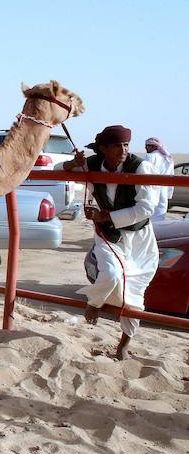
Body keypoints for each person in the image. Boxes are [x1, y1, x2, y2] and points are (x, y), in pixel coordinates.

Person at [60, 125, 158, 360]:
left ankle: (123, 344)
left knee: (134, 294)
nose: (123, 150)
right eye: (117, 146)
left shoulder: (140, 167)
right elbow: (57, 169)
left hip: (140, 239)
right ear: (103, 149)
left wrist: (108, 216)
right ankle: (94, 303)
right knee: (112, 275)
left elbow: (147, 208)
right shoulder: (92, 164)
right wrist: (71, 164)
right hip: (107, 235)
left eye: (126, 145)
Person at [144, 137, 174, 222]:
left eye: (147, 146)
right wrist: (169, 194)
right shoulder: (168, 158)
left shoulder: (150, 157)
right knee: (160, 218)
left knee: (148, 218)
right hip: (163, 192)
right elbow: (171, 177)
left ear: (154, 146)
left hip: (151, 190)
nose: (145, 148)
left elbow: (143, 174)